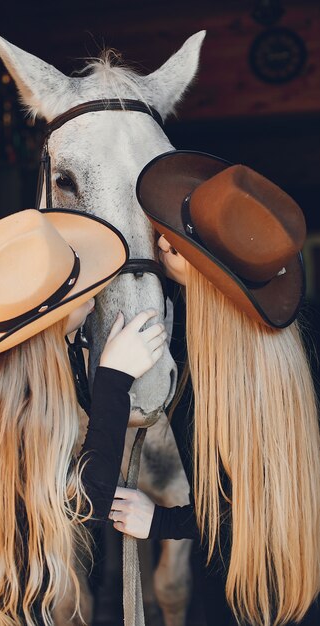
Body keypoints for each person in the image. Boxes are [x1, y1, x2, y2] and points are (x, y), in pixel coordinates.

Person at [0, 208, 167, 626]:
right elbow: (84, 501)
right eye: (80, 293)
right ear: (50, 320)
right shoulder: (23, 402)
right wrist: (113, 382)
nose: (94, 298)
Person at [111, 153, 320, 626]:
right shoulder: (291, 339)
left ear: (210, 277)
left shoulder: (193, 355)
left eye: (181, 245)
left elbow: (251, 510)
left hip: (254, 596)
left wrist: (162, 521)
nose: (162, 239)